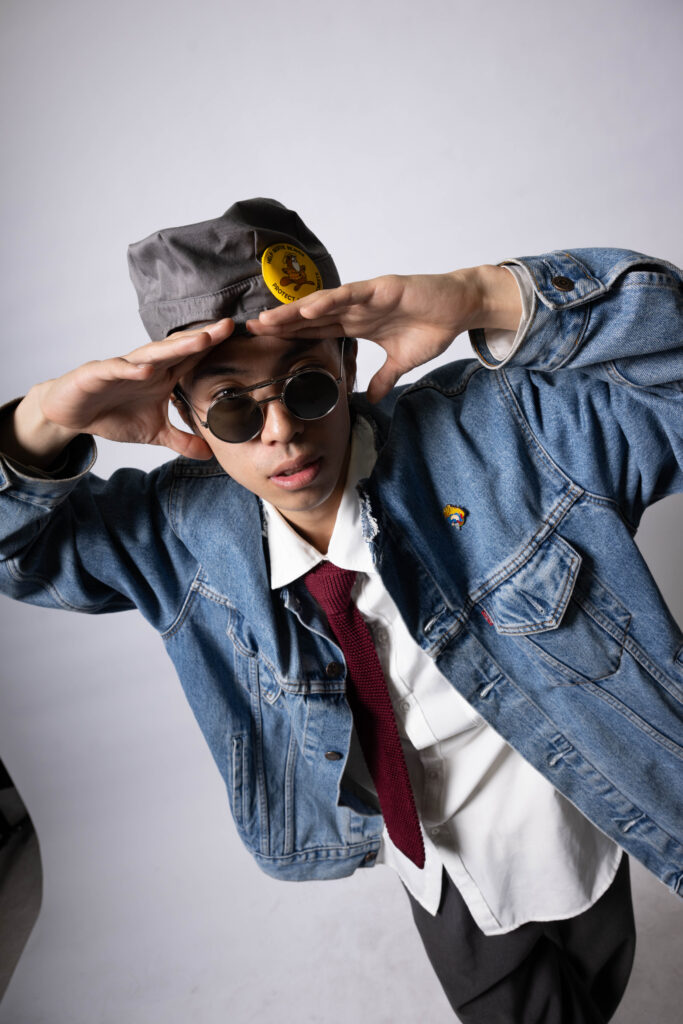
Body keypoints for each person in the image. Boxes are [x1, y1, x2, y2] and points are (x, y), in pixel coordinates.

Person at [0, 198, 681, 1023]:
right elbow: (18, 553)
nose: (281, 432)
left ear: (349, 363)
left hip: (579, 803)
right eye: (233, 406)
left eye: (309, 385)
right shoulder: (179, 535)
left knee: (596, 980)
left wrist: (485, 295)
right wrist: (37, 425)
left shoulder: (506, 435)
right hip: (436, 861)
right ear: (184, 413)